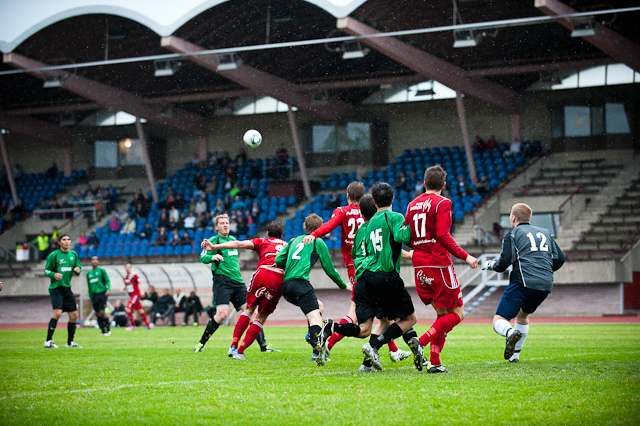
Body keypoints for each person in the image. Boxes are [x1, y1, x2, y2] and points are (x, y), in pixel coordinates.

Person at [302, 182, 409, 362]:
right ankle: (328, 343)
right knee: (359, 313)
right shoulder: (375, 215)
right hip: (372, 265)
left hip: (355, 265)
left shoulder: (342, 212)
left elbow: (329, 226)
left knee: (380, 310)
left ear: (347, 196)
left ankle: (392, 350)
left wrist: (314, 234)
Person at [332, 183, 423, 371]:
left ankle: (367, 364)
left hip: (367, 277)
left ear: (374, 201)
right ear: (393, 198)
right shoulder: (394, 217)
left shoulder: (369, 224)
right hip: (387, 275)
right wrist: (413, 223)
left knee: (383, 320)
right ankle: (375, 346)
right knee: (409, 319)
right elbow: (404, 236)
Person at [405, 165, 478, 373]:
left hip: (420, 264)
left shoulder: (412, 205)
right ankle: (422, 341)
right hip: (438, 263)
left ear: (425, 183)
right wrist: (466, 256)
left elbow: (408, 238)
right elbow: (443, 236)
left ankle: (435, 363)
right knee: (458, 313)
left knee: (442, 313)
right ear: (444, 185)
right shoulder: (443, 203)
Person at [484, 203, 565, 363]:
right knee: (522, 316)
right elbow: (560, 259)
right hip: (545, 284)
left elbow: (503, 263)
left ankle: (510, 333)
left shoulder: (513, 234)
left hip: (523, 281)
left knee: (499, 320)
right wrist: (543, 272)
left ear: (513, 218)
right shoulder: (546, 233)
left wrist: (490, 265)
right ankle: (514, 356)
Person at [201, 220, 287, 360]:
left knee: (249, 309)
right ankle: (240, 351)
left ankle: (233, 346)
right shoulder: (287, 246)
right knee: (261, 317)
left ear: (267, 233)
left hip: (262, 273)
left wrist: (213, 247)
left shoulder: (262, 240)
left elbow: (239, 244)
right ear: (282, 235)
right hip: (278, 279)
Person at [275, 214, 352, 362]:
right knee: (315, 316)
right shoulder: (318, 241)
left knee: (319, 306)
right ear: (321, 229)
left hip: (287, 286)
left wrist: (292, 265)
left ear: (305, 226)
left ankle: (312, 335)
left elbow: (278, 259)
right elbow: (330, 270)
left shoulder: (293, 241)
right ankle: (316, 351)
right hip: (300, 283)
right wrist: (343, 285)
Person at [194, 214, 247, 353]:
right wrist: (213, 256)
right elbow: (202, 256)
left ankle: (264, 347)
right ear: (216, 227)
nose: (225, 225)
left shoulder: (233, 240)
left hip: (238, 282)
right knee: (222, 315)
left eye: (227, 223)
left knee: (251, 312)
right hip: (222, 281)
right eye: (222, 223)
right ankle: (201, 343)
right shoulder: (213, 240)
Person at [43, 234, 82, 348]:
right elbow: (46, 270)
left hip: (67, 289)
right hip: (56, 289)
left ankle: (70, 342)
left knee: (74, 314)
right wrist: (53, 274)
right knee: (58, 313)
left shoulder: (73, 254)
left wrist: (78, 270)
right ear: (59, 242)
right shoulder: (53, 255)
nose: (67, 242)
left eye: (69, 240)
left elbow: (78, 268)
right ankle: (48, 341)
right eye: (64, 240)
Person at [120, 263, 152, 330]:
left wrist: (142, 291)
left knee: (127, 308)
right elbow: (128, 285)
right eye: (127, 267)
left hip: (135, 295)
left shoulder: (134, 275)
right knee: (140, 310)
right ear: (125, 268)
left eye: (129, 267)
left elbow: (141, 282)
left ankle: (133, 325)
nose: (128, 268)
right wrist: (122, 288)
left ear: (130, 268)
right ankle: (148, 325)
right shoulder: (125, 277)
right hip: (131, 295)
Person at [86, 256, 111, 336]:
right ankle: (103, 330)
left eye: (96, 259)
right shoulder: (89, 274)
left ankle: (108, 329)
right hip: (94, 295)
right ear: (91, 262)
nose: (95, 261)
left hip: (102, 293)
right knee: (97, 313)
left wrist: (108, 289)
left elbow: (107, 280)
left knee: (102, 311)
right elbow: (89, 286)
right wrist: (90, 296)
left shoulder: (101, 271)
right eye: (93, 260)